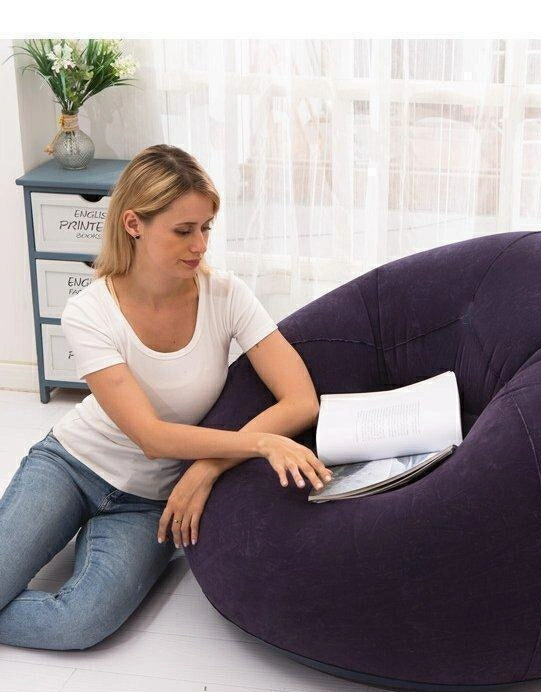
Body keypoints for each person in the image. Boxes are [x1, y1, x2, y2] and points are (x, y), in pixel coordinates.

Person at [0, 144, 332, 651]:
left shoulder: (226, 296)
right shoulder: (89, 311)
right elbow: (151, 438)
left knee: (79, 624)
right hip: (71, 465)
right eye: (183, 230)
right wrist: (262, 443)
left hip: (151, 501)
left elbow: (302, 399)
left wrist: (207, 468)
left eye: (206, 228)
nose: (199, 245)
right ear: (134, 223)